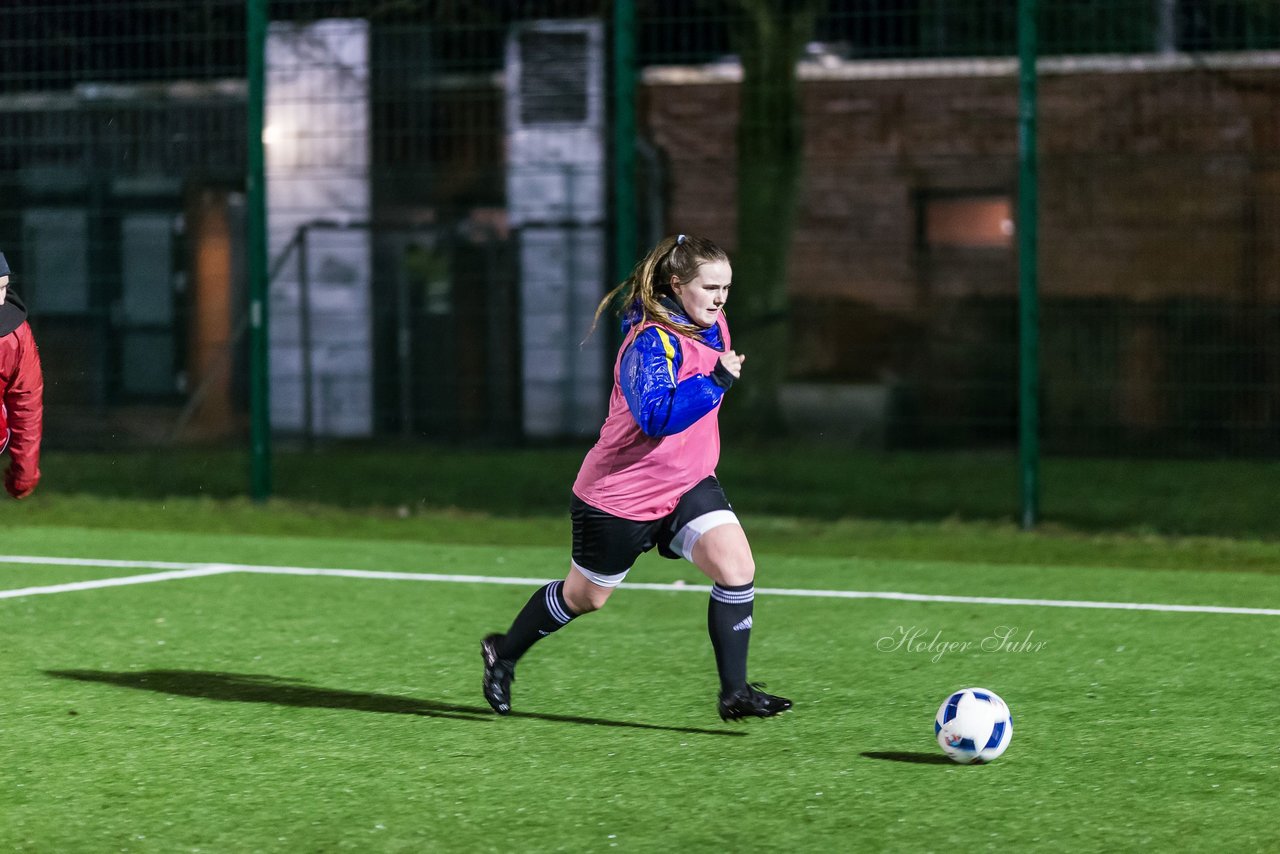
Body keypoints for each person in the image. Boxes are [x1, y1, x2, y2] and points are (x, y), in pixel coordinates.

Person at [481, 234, 791, 721]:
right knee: (585, 597)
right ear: (676, 284)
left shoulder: (714, 326)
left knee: (737, 569)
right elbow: (655, 417)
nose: (719, 299)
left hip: (687, 485)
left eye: (726, 289)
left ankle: (735, 693)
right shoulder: (650, 343)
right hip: (618, 497)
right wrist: (715, 383)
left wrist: (715, 381)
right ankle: (504, 653)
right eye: (710, 287)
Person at [0, 251, 44, 500]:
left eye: (4, 287)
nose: (0, 300)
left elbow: (27, 403)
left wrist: (25, 473)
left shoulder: (16, 333)